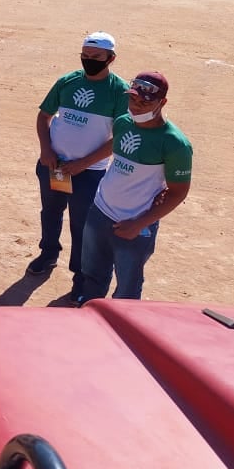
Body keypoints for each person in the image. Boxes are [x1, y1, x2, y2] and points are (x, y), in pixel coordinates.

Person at [27, 33, 128, 299]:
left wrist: (84, 163)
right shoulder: (67, 82)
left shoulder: (119, 91)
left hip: (89, 174)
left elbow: (119, 136)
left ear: (111, 58)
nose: (88, 60)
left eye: (95, 57)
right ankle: (48, 253)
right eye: (85, 55)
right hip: (56, 165)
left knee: (82, 225)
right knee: (51, 211)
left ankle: (80, 276)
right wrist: (46, 149)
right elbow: (44, 116)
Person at [77, 71, 193, 302]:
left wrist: (139, 224)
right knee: (91, 275)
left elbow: (179, 192)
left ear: (163, 102)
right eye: (133, 99)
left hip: (133, 224)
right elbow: (115, 151)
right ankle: (87, 313)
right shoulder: (122, 123)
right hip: (99, 211)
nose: (136, 106)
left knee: (127, 289)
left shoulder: (175, 144)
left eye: (144, 102)